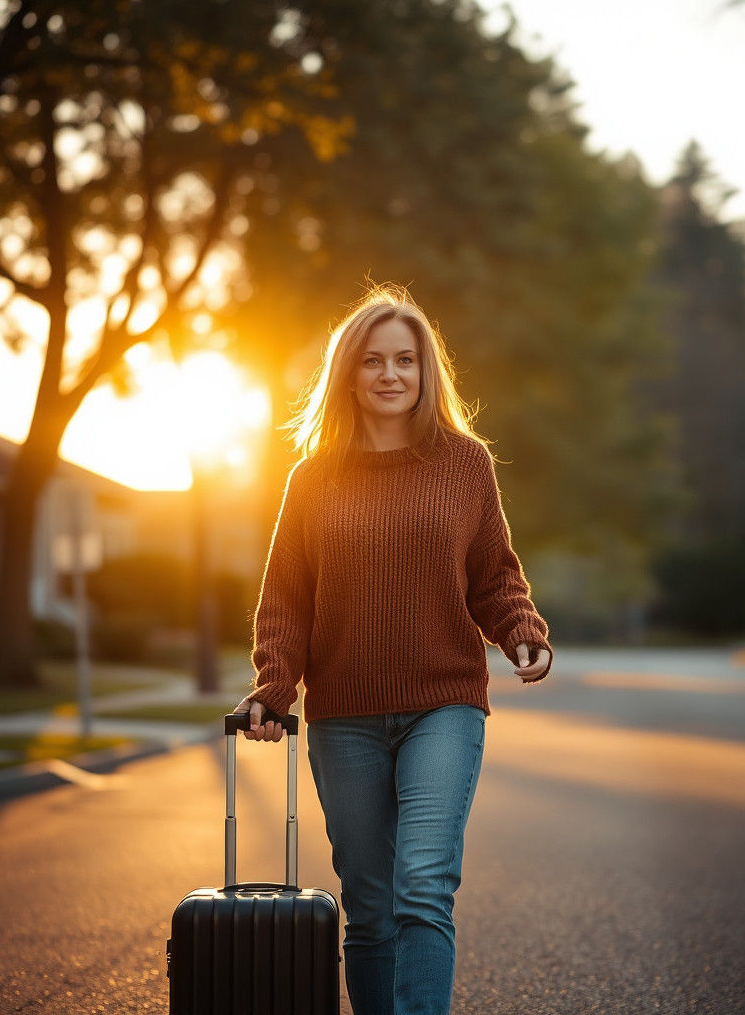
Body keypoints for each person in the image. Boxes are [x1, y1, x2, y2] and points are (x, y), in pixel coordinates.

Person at [233, 283, 553, 1015]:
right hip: (344, 716)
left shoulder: (465, 465)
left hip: (444, 704)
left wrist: (521, 631)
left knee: (423, 886)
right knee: (370, 905)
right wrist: (272, 688)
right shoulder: (312, 480)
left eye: (405, 360)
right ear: (349, 372)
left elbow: (494, 575)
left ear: (424, 371)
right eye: (373, 360)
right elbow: (286, 600)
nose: (389, 374)